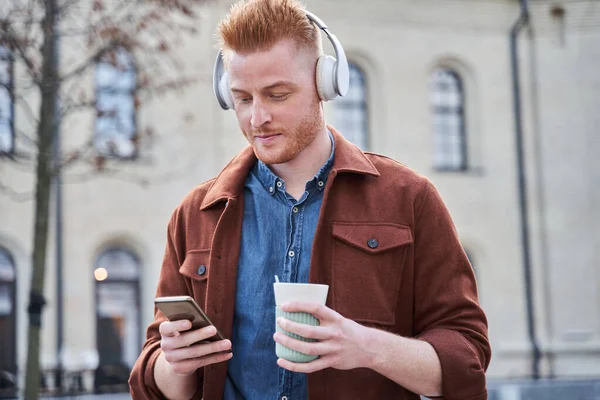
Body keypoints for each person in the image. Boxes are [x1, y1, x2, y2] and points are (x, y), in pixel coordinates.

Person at [129, 0, 491, 399]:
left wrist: (367, 347)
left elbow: (467, 360)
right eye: (243, 98)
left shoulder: (409, 199)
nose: (257, 118)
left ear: (325, 84)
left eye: (277, 94)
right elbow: (152, 379)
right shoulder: (194, 215)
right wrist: (174, 365)